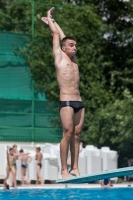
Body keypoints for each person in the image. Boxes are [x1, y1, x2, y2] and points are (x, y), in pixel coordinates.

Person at [41, 7, 85, 179]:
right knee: (67, 133)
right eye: (71, 46)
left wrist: (57, 23)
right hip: (66, 101)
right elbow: (57, 36)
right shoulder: (59, 56)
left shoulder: (73, 60)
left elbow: (64, 37)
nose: (75, 48)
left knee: (77, 134)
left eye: (76, 45)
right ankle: (64, 169)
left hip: (79, 101)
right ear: (64, 48)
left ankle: (75, 167)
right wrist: (50, 20)